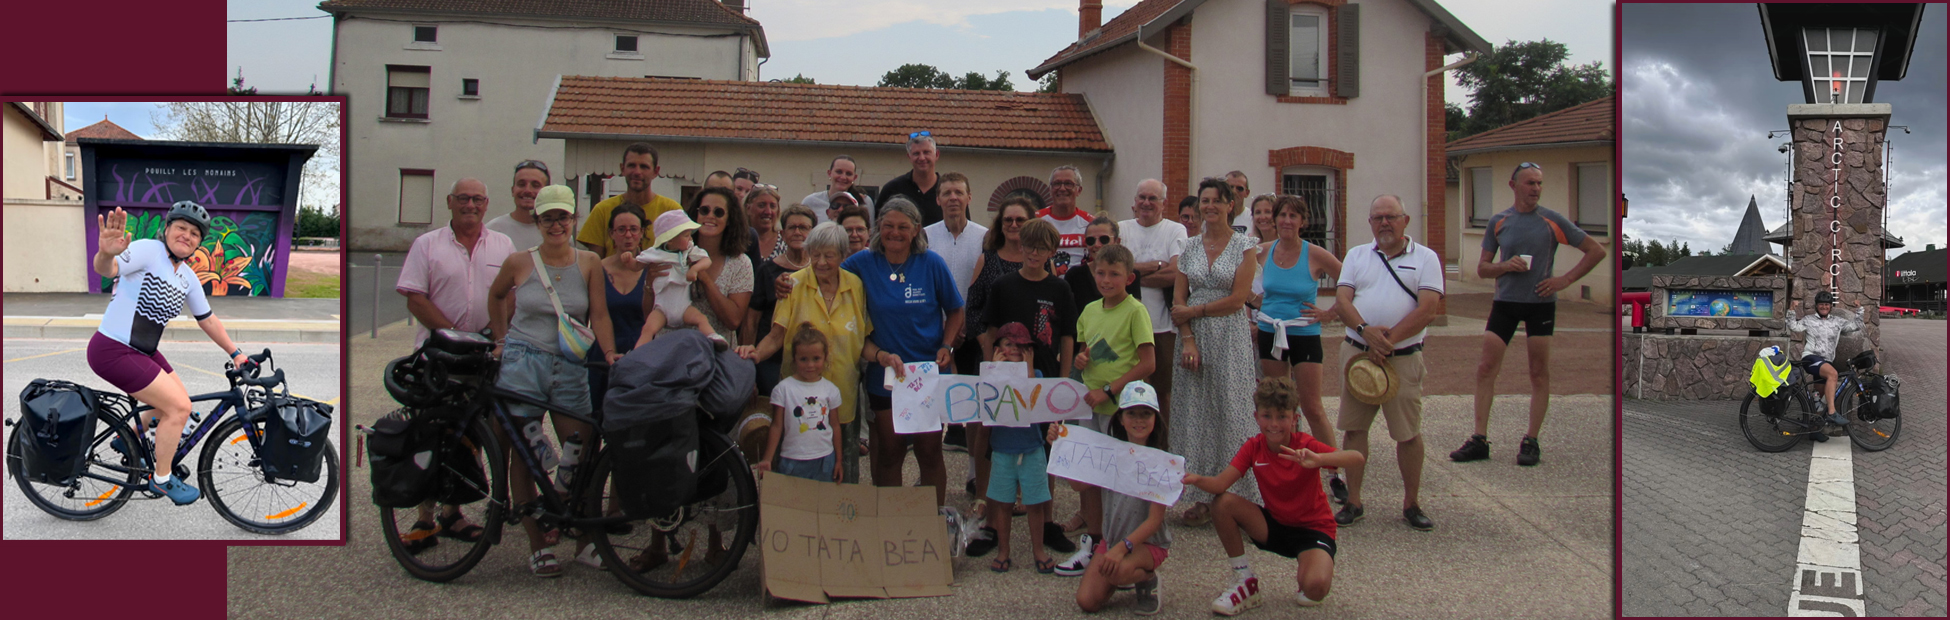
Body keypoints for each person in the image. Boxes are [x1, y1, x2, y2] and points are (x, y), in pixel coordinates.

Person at [486, 184, 617, 576]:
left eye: (563, 216)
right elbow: (495, 296)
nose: (556, 224)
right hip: (524, 362)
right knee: (526, 451)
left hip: (570, 363)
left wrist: (609, 354)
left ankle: (579, 533)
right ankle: (536, 542)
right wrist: (500, 340)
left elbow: (600, 314)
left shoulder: (590, 261)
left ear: (573, 219)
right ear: (537, 221)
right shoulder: (518, 262)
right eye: (548, 218)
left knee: (579, 449)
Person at [90, 201, 252, 505]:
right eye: (181, 227)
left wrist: (237, 353)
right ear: (167, 229)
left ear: (198, 243)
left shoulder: (187, 276)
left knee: (182, 404)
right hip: (113, 349)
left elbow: (208, 319)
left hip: (143, 352)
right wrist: (106, 252)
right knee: (178, 409)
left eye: (194, 233)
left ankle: (126, 441)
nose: (186, 236)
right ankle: (161, 479)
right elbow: (107, 268)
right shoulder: (147, 250)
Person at [1450, 163, 1607, 467]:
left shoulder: (1551, 220)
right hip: (1505, 303)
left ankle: (1531, 440)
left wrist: (1564, 280)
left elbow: (1596, 250)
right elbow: (1482, 268)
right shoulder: (1499, 221)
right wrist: (1505, 266)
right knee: (1485, 368)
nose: (1535, 189)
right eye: (1530, 183)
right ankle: (1479, 439)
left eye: (1539, 183)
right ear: (1513, 186)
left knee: (1538, 372)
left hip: (1540, 305)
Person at [394, 178, 517, 548]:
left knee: (469, 439)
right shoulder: (426, 245)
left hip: (482, 356)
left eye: (477, 199)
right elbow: (415, 297)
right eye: (463, 198)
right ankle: (423, 519)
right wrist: (453, 335)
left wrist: (491, 334)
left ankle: (452, 514)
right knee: (432, 434)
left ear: (486, 203)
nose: (470, 205)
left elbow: (510, 295)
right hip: (437, 357)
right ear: (449, 202)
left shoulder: (503, 245)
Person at [1186, 378, 1364, 615]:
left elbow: (1357, 458)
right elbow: (1221, 484)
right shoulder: (1253, 447)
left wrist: (1320, 460)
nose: (1274, 424)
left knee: (1314, 589)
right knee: (1223, 503)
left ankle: (1309, 563)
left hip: (1313, 529)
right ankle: (1243, 578)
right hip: (1275, 525)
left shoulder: (1305, 446)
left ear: (1295, 418)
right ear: (1256, 417)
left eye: (1282, 417)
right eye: (1267, 416)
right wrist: (1195, 479)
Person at [1332, 195, 1443, 531]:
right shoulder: (1356, 256)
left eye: (1391, 217)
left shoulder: (1426, 258)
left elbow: (1428, 309)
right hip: (1358, 354)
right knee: (1354, 429)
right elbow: (1342, 300)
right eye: (1378, 217)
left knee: (1407, 433)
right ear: (1369, 223)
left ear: (1405, 220)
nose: (1384, 223)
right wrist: (1367, 333)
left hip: (1403, 358)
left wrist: (1387, 341)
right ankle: (1353, 501)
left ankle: (1411, 503)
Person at [850, 198, 964, 508]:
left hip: (926, 374)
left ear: (916, 230)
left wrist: (946, 345)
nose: (895, 233)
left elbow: (955, 310)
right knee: (890, 451)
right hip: (885, 375)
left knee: (929, 452)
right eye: (888, 226)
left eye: (903, 227)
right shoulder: (862, 262)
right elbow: (823, 278)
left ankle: (932, 521)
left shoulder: (931, 263)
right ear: (879, 229)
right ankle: (891, 526)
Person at [737, 223, 872, 483]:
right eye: (815, 254)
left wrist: (883, 356)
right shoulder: (793, 284)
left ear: (843, 255)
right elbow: (776, 335)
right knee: (795, 476)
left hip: (842, 399)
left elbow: (863, 337)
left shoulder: (855, 286)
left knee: (841, 477)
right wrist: (755, 353)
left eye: (829, 255)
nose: (820, 262)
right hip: (799, 402)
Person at [1054, 243, 1156, 576]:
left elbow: (1148, 363)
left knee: (1120, 480)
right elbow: (1086, 354)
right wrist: (1082, 360)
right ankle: (1093, 540)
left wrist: (1109, 390)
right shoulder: (1089, 311)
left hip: (1120, 411)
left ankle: (1124, 542)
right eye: (1101, 273)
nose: (1107, 280)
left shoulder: (1135, 310)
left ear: (1129, 277)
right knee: (1090, 477)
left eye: (1114, 274)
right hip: (1091, 405)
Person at [1170, 177, 1263, 526]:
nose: (1209, 206)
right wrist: (1188, 336)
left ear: (1229, 205)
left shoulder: (1244, 245)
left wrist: (1194, 312)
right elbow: (1179, 297)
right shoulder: (1189, 246)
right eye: (1203, 200)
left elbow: (1239, 299)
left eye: (1216, 200)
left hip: (1228, 334)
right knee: (1195, 413)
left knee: (1231, 410)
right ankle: (1201, 494)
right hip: (1193, 336)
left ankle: (1236, 494)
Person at [1252, 195, 1345, 502]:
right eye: (1282, 216)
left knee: (1312, 405)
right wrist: (1254, 309)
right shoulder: (1261, 252)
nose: (1287, 221)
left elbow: (1352, 283)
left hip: (1304, 333)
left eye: (1293, 216)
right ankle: (1280, 468)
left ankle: (1333, 472)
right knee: (1277, 407)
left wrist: (1330, 313)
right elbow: (1240, 283)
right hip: (1269, 332)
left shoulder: (1315, 254)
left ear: (1303, 222)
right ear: (1273, 220)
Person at [958, 197, 1037, 553]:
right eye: (1008, 220)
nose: (1014, 225)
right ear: (999, 224)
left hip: (1028, 359)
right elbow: (972, 308)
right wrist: (988, 346)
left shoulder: (1039, 264)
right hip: (990, 354)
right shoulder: (987, 261)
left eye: (1021, 220)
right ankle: (984, 491)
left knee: (1024, 426)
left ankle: (1021, 492)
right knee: (985, 427)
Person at [1064, 381, 1171, 615]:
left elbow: (1154, 521)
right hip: (1112, 539)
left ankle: (1147, 579)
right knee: (1087, 601)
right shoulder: (1110, 453)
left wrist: (1122, 549)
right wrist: (1058, 445)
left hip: (1148, 543)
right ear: (1121, 419)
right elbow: (1077, 484)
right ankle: (1117, 574)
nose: (1139, 420)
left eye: (1146, 414)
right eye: (1131, 413)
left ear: (1156, 419)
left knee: (1119, 571)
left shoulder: (1161, 462)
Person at [1119, 179, 1188, 450]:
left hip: (1162, 327)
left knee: (1162, 394)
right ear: (1134, 201)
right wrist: (1155, 265)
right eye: (1142, 197)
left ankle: (1163, 448)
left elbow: (1176, 273)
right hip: (1124, 327)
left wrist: (1130, 276)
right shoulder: (1121, 229)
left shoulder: (1175, 229)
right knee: (1127, 393)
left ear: (1164, 203)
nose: (1146, 203)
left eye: (1153, 198)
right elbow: (1110, 267)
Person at [985, 323, 1058, 574]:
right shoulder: (990, 376)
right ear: (998, 349)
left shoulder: (1035, 374)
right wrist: (993, 369)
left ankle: (1038, 549)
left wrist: (1027, 370)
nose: (1014, 349)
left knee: (1035, 504)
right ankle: (1003, 550)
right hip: (1002, 449)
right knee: (1003, 503)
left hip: (1031, 448)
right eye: (1008, 344)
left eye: (1020, 345)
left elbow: (1037, 405)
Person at [924, 173, 986, 455]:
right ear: (938, 199)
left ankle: (974, 473)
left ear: (969, 198)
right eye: (947, 193)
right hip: (935, 331)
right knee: (934, 406)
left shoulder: (984, 237)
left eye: (959, 193)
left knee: (972, 403)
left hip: (973, 331)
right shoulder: (925, 235)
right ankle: (930, 472)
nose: (953, 198)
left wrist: (965, 325)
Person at [586, 200, 658, 419]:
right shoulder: (596, 268)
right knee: (595, 422)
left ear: (642, 233)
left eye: (633, 229)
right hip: (603, 355)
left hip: (642, 356)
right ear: (611, 234)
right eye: (621, 229)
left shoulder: (654, 269)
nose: (628, 235)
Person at [756, 326, 846, 482]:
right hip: (793, 459)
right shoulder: (783, 389)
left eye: (816, 358)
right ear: (794, 358)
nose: (810, 365)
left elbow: (835, 425)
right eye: (803, 359)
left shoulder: (831, 390)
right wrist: (767, 458)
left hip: (825, 459)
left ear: (825, 357)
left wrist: (838, 460)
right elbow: (777, 426)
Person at [667, 186, 753, 345]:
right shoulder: (673, 253)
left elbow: (733, 320)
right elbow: (651, 311)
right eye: (704, 210)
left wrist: (704, 277)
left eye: (718, 212)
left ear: (729, 219)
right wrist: (649, 283)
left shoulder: (741, 263)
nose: (710, 216)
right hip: (672, 349)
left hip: (715, 354)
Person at [747, 204, 817, 397]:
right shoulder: (767, 270)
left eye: (803, 227)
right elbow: (752, 321)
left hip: (813, 358)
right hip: (771, 358)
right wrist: (747, 369)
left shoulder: (821, 270)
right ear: (783, 234)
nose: (797, 232)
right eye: (791, 227)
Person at [638, 210, 728, 349]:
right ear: (670, 239)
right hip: (662, 308)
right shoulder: (655, 254)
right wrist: (629, 261)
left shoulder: (689, 252)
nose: (690, 239)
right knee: (648, 328)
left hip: (683, 306)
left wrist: (694, 269)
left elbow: (706, 260)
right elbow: (637, 264)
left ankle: (713, 337)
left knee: (701, 319)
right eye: (686, 236)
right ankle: (638, 354)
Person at [578, 142, 683, 257]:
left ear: (655, 172)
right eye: (631, 165)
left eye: (644, 167)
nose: (637, 172)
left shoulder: (672, 211)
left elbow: (683, 255)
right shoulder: (602, 210)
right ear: (622, 169)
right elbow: (595, 264)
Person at [1785, 291, 1864, 426]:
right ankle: (1832, 413)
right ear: (1816, 306)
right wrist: (1792, 309)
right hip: (1811, 358)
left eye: (1826, 305)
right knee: (1833, 373)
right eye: (1821, 304)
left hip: (1825, 361)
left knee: (1819, 401)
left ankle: (1814, 428)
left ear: (1830, 306)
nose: (1824, 307)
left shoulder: (1837, 321)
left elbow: (1855, 326)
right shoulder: (1809, 320)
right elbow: (1793, 326)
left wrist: (1859, 309)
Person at [1065, 216, 1141, 308]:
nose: (1096, 245)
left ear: (1117, 241)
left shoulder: (1129, 274)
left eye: (1104, 239)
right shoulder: (1075, 275)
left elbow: (1133, 311)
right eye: (1090, 240)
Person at [878, 132, 944, 225]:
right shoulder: (892, 189)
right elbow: (877, 227)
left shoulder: (948, 191)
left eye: (926, 152)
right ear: (909, 157)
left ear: (936, 154)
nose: (921, 158)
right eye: (916, 153)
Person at [1040, 165, 1093, 276]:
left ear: (1079, 190)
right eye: (1057, 184)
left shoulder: (1091, 224)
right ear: (1050, 189)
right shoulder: (1036, 221)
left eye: (1068, 184)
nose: (1062, 188)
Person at [485, 159, 549, 251]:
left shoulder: (556, 232)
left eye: (535, 185)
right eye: (521, 184)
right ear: (512, 190)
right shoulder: (492, 230)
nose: (527, 190)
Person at [803, 155, 876, 223]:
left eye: (848, 174)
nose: (843, 177)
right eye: (839, 172)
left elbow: (869, 233)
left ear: (854, 177)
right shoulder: (811, 202)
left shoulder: (865, 202)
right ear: (829, 173)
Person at [744, 186, 786, 265]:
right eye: (761, 205)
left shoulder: (785, 243)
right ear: (748, 208)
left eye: (772, 206)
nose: (768, 212)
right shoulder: (738, 242)